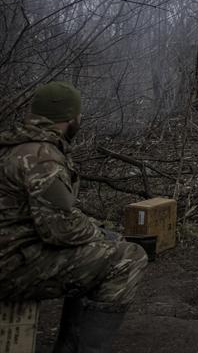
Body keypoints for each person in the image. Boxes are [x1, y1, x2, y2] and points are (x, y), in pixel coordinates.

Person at [0, 81, 148, 353]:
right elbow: (61, 230)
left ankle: (69, 346)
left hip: (13, 250)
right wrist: (100, 234)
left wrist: (99, 233)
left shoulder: (13, 145)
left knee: (101, 247)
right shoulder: (41, 157)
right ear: (71, 118)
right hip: (10, 266)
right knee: (128, 258)